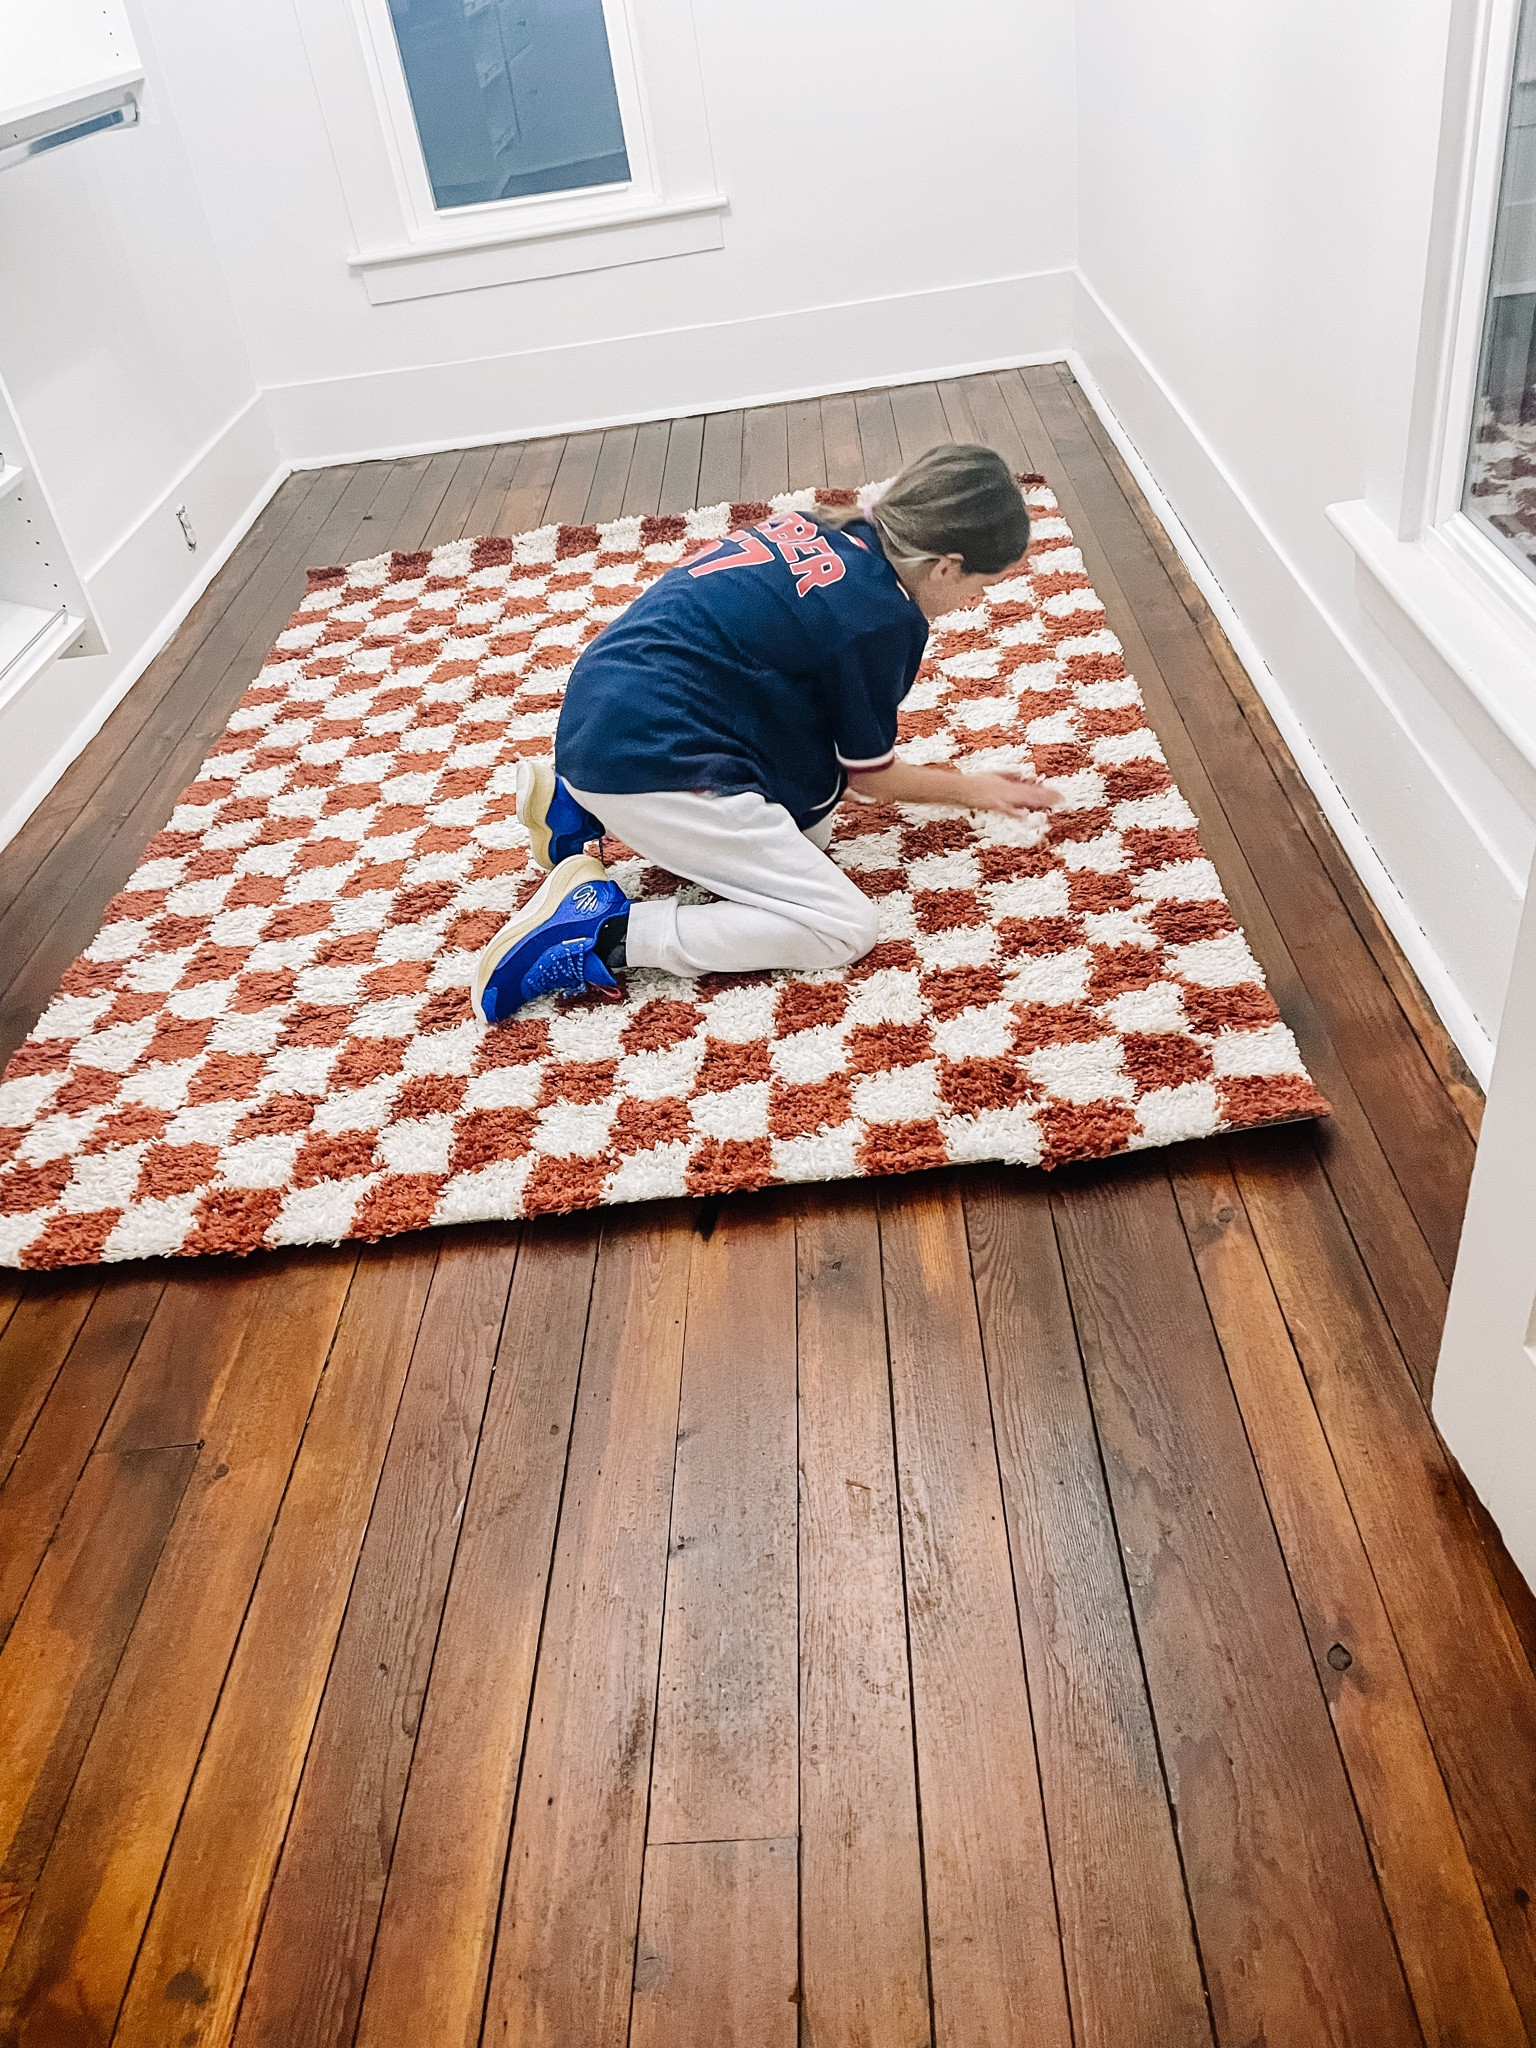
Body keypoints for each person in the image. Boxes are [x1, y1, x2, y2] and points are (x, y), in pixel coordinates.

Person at [471, 443, 1062, 1023]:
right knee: (840, 928)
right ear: (947, 565)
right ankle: (598, 933)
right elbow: (872, 779)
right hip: (646, 757)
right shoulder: (880, 617)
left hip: (602, 711)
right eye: (982, 586)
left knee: (813, 828)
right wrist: (973, 790)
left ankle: (575, 803)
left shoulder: (817, 522)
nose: (973, 602)